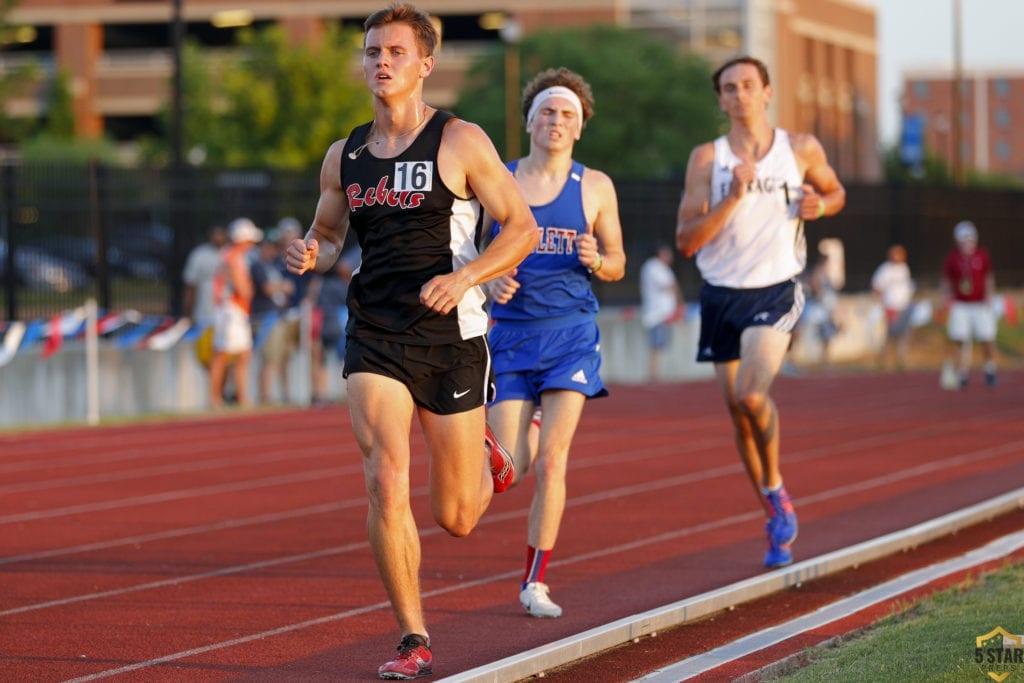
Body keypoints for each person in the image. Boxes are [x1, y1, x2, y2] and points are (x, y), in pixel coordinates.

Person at [282, 4, 537, 678]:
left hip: (451, 335)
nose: (381, 62)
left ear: (425, 63)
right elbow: (331, 230)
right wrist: (314, 248)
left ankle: (497, 453)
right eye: (371, 52)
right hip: (375, 332)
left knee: (456, 515)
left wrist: (467, 278)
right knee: (384, 477)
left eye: (395, 51)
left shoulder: (460, 140)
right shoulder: (348, 153)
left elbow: (521, 228)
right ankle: (412, 636)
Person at [674, 56, 845, 569]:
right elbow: (686, 240)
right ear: (721, 100)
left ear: (767, 92)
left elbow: (834, 191)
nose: (740, 95)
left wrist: (823, 205)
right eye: (730, 88)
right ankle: (774, 501)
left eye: (749, 85)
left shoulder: (801, 148)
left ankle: (777, 493)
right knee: (739, 415)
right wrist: (732, 197)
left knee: (752, 394)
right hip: (721, 293)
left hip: (776, 289)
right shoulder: (708, 159)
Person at [484, 67, 625, 620]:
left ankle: (535, 581)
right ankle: (531, 428)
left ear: (580, 126)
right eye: (547, 111)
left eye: (567, 114)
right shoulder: (499, 178)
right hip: (511, 338)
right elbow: (463, 252)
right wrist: (485, 275)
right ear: (529, 120)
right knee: (507, 471)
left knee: (555, 463)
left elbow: (617, 260)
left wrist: (599, 260)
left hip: (570, 335)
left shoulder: (595, 186)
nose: (556, 121)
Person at [209, 217, 263, 409]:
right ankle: (219, 398)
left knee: (240, 354)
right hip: (231, 310)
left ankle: (237, 396)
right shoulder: (233, 258)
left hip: (232, 310)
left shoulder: (230, 256)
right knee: (224, 354)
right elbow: (244, 290)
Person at [940, 220, 997, 389]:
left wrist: (989, 295)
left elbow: (989, 276)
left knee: (986, 337)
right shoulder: (953, 258)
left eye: (970, 239)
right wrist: (945, 297)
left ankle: (989, 368)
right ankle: (963, 372)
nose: (968, 243)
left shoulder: (982, 255)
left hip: (980, 303)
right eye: (964, 240)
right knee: (960, 338)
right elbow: (946, 280)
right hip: (960, 304)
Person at [249, 233, 295, 403]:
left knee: (281, 357)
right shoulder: (258, 266)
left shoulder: (273, 265)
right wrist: (282, 287)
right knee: (269, 357)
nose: (273, 250)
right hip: (266, 316)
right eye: (270, 247)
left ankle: (282, 394)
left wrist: (281, 287)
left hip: (278, 315)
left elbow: (288, 289)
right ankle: (265, 396)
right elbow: (268, 289)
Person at [639, 244, 682, 381]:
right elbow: (669, 285)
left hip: (664, 313)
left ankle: (658, 373)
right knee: (656, 345)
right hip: (657, 314)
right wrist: (680, 301)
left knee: (661, 345)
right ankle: (653, 374)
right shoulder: (653, 267)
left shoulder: (662, 268)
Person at [871, 243, 915, 370]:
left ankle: (901, 359)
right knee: (889, 335)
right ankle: (882, 358)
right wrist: (882, 305)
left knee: (904, 334)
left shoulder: (904, 268)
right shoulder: (885, 270)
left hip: (904, 306)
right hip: (891, 307)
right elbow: (876, 287)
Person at [182, 224, 228, 330]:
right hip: (204, 313)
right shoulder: (199, 254)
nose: (218, 237)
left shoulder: (233, 254)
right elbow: (190, 285)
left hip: (229, 314)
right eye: (216, 234)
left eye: (221, 234)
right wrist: (187, 313)